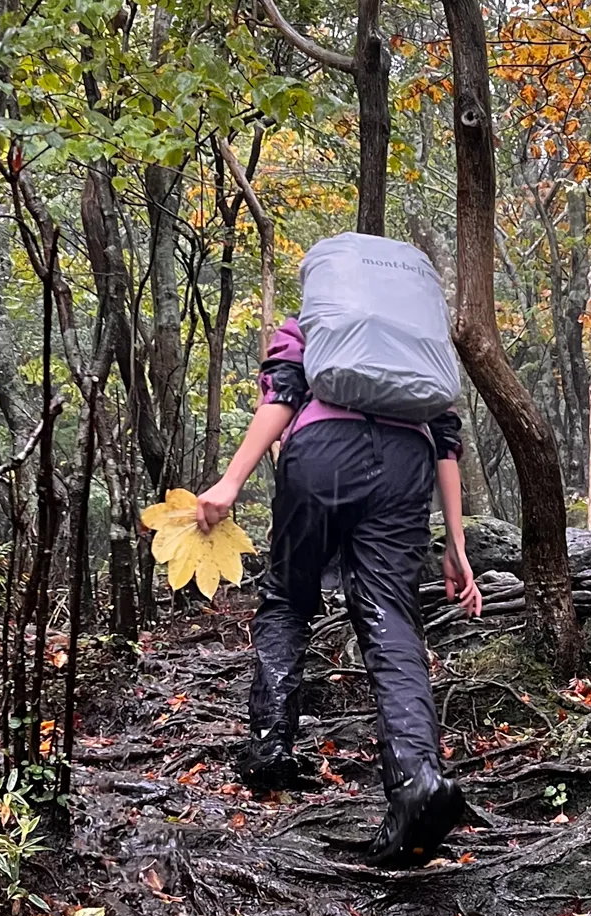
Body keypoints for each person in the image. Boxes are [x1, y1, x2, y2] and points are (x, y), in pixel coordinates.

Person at [195, 311, 483, 861]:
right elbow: (446, 440)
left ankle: (270, 746)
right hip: (407, 463)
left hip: (320, 451)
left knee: (287, 597)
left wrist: (231, 482)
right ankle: (417, 780)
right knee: (391, 617)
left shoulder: (314, 321)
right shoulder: (416, 339)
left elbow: (281, 394)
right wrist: (456, 543)